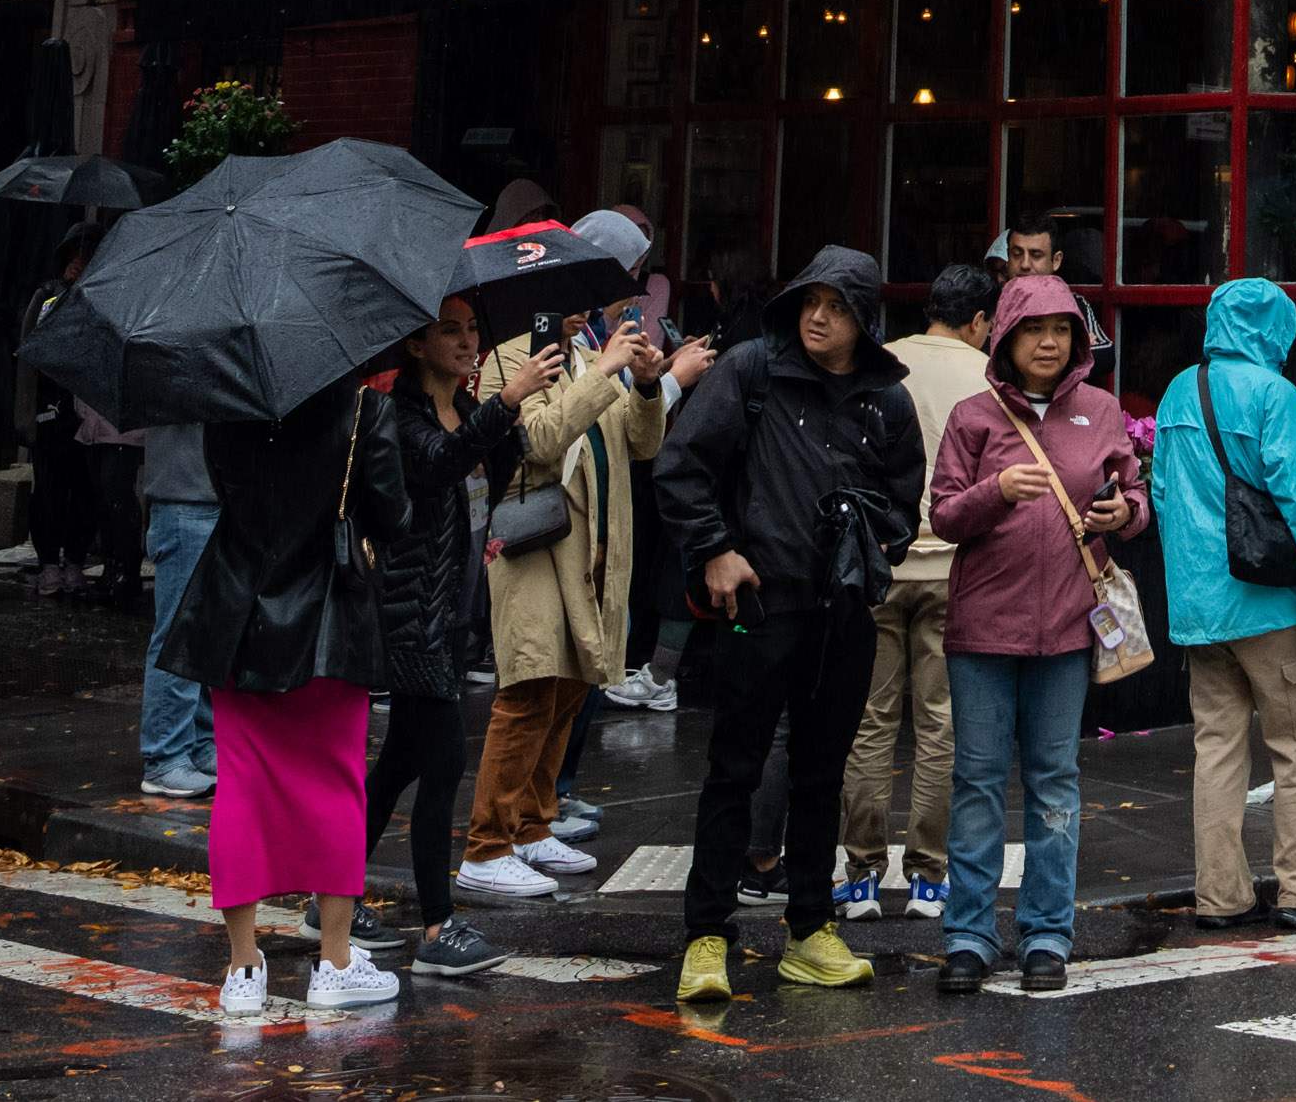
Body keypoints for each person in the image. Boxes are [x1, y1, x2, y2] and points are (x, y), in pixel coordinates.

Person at [652, 245, 916, 1005]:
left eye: (835, 305)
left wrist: (873, 536)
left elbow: (905, 499)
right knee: (734, 770)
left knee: (820, 774)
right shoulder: (751, 371)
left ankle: (810, 930)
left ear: (864, 318)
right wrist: (716, 551)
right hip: (757, 604)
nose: (818, 316)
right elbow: (681, 465)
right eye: (809, 301)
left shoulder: (887, 401)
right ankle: (707, 936)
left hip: (843, 613)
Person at [923, 271, 1141, 995]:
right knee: (978, 783)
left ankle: (1047, 934)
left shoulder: (1102, 410)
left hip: (1069, 633)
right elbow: (945, 514)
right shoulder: (972, 416)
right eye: (1032, 329)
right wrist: (996, 491)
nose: (1048, 342)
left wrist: (1125, 514)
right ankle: (969, 934)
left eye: (1061, 331)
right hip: (983, 630)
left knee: (1055, 787)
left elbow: (1135, 494)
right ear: (1006, 336)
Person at [159, 378, 404, 1017]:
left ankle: (243, 971)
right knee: (335, 784)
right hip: (327, 619)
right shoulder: (363, 409)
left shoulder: (227, 401)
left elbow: (228, 493)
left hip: (237, 613)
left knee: (242, 786)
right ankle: (336, 962)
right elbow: (392, 513)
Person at [470, 290, 698, 886]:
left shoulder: (584, 351)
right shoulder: (510, 359)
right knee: (528, 687)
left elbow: (641, 442)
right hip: (534, 546)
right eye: (568, 300)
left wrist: (649, 385)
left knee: (570, 685)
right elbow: (540, 443)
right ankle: (486, 848)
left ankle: (534, 826)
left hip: (594, 545)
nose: (584, 311)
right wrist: (600, 371)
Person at [354, 296, 545, 977]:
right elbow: (434, 465)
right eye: (450, 330)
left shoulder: (465, 411)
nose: (467, 342)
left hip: (454, 610)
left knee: (402, 760)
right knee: (439, 765)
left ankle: (333, 896)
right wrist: (503, 404)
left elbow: (491, 472)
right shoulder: (395, 414)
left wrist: (508, 415)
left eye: (471, 330)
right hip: (412, 615)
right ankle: (438, 924)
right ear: (415, 343)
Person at [1156, 274, 1296, 930]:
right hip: (1269, 607)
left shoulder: (1182, 388)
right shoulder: (1275, 393)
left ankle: (1221, 896)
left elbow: (1162, 497)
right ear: (1275, 329)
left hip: (1200, 611)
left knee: (1217, 749)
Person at [845, 264, 995, 920]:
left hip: (881, 562)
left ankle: (861, 875)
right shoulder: (985, 375)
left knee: (871, 721)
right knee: (939, 724)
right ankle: (930, 876)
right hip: (954, 566)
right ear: (980, 320)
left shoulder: (883, 363)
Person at [21, 227, 111, 601]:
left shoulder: (105, 296)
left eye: (87, 255)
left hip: (90, 411)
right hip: (52, 409)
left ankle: (75, 559)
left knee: (86, 490)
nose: (79, 262)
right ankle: (48, 563)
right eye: (75, 254)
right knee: (49, 490)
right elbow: (30, 349)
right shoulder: (48, 295)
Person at [136, 405, 219, 799]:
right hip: (187, 499)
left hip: (203, 497)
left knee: (202, 634)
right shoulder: (176, 356)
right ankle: (166, 755)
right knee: (179, 636)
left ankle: (198, 744)